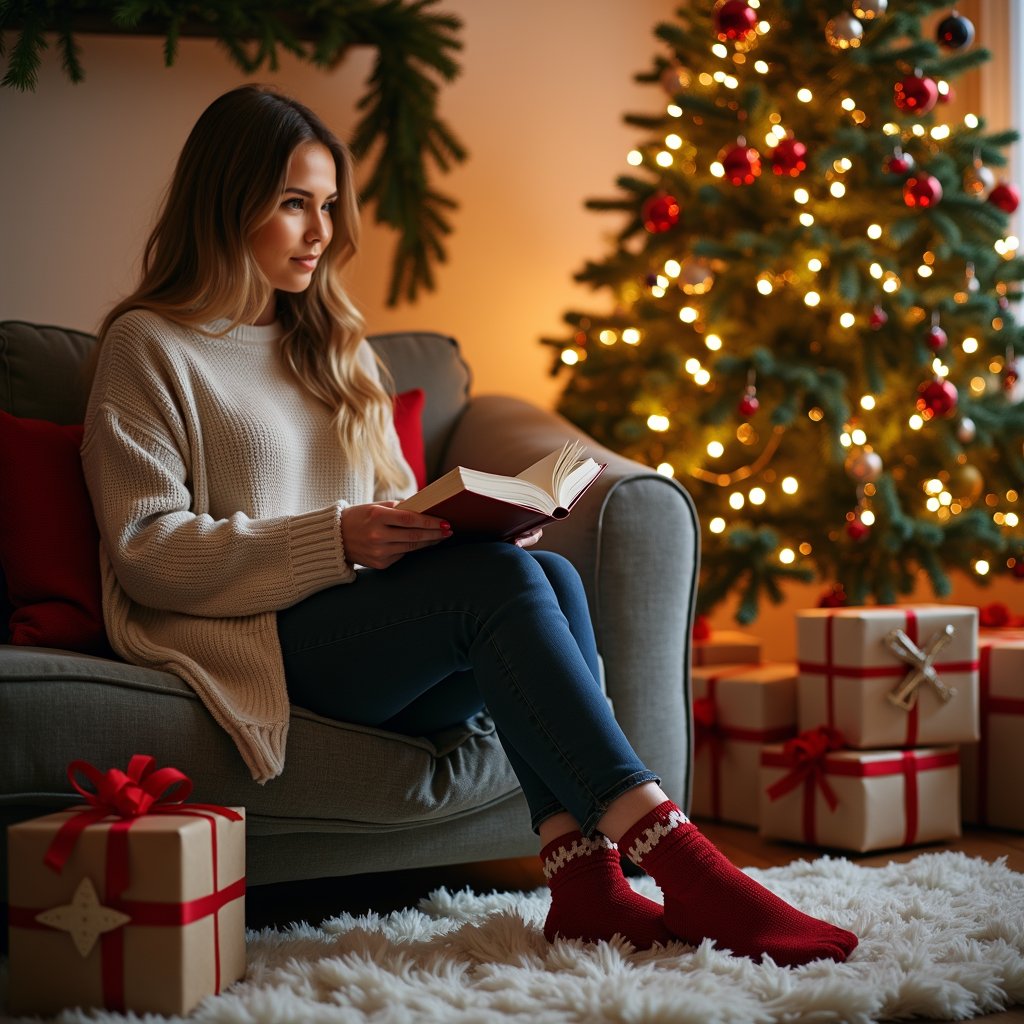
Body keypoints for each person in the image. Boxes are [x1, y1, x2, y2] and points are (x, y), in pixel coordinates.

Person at [82, 84, 857, 967]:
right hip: (257, 641)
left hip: (371, 633)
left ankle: (586, 887)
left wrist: (462, 528)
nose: (321, 232)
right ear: (226, 202)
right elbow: (146, 552)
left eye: (329, 205)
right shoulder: (150, 346)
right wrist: (335, 538)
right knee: (502, 588)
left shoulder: (336, 348)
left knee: (546, 576)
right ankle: (683, 863)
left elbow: (398, 506)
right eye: (294, 203)